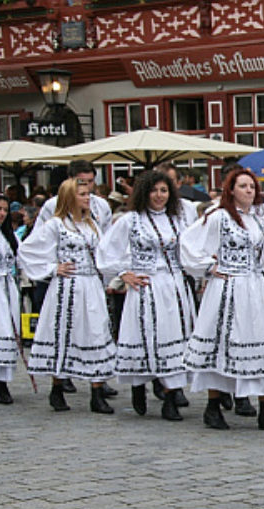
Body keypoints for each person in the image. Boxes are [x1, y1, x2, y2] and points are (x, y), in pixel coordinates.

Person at [180, 168, 264, 430]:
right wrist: (207, 266)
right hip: (227, 288)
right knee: (222, 344)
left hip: (255, 287)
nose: (249, 190)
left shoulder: (260, 218)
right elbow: (188, 241)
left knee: (260, 342)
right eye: (243, 186)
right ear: (231, 190)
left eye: (252, 186)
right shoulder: (218, 216)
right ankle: (213, 406)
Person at [96, 170, 196, 421]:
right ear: (144, 193)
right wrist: (123, 273)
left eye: (164, 190)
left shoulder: (178, 219)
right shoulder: (131, 220)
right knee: (146, 335)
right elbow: (106, 251)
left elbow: (194, 247)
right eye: (154, 190)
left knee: (175, 338)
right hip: (146, 287)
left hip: (174, 287)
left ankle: (171, 396)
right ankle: (138, 384)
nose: (159, 196)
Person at [18, 178, 117, 413]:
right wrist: (52, 268)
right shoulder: (56, 225)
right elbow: (27, 249)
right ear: (70, 197)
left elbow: (105, 253)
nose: (87, 198)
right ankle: (57, 387)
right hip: (67, 288)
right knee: (63, 332)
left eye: (88, 194)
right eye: (82, 194)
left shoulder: (92, 224)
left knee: (96, 332)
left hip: (91, 286)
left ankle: (97, 390)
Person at [0, 194, 20, 404]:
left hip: (6, 288)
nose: (2, 214)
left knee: (7, 332)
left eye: (4, 209)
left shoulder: (6, 236)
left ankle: (2, 383)